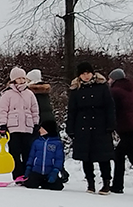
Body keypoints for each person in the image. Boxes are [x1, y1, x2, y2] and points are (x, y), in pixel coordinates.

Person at [67, 61, 115, 194]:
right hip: (82, 126)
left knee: (103, 157)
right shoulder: (76, 90)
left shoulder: (102, 87)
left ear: (92, 73)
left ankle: (106, 183)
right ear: (79, 76)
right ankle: (90, 183)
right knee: (86, 157)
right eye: (83, 73)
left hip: (100, 126)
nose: (86, 76)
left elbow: (110, 107)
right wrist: (70, 128)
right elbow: (72, 111)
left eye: (88, 73)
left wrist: (111, 124)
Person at [0, 66, 40, 180]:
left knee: (27, 152)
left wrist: (36, 124)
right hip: (13, 128)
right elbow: (2, 111)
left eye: (23, 78)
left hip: (27, 127)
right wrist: (3, 125)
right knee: (14, 152)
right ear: (13, 79)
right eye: (19, 78)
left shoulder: (30, 94)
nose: (21, 80)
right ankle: (17, 175)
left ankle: (27, 174)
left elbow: (34, 110)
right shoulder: (7, 94)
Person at [22, 119, 66, 191]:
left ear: (48, 130)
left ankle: (46, 182)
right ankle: (40, 182)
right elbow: (31, 156)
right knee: (30, 184)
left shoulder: (57, 143)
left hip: (49, 172)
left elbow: (59, 159)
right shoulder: (36, 142)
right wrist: (28, 168)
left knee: (57, 187)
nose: (39, 130)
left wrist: (55, 171)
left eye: (42, 128)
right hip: (36, 171)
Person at [109, 68, 133, 194]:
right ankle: (117, 185)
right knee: (124, 154)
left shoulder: (115, 91)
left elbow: (111, 109)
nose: (108, 81)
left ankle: (117, 185)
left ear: (114, 79)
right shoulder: (129, 88)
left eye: (110, 79)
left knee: (119, 154)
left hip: (127, 128)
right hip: (129, 128)